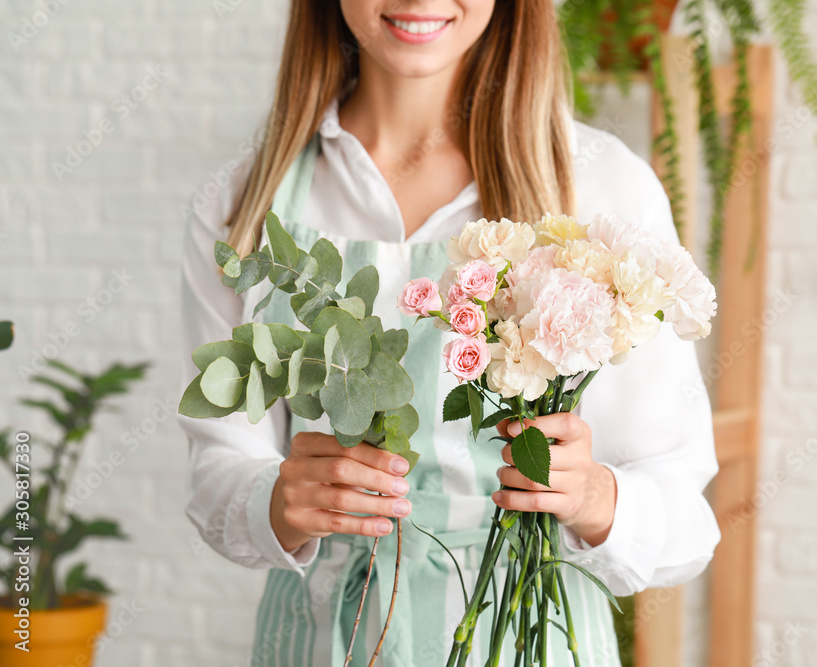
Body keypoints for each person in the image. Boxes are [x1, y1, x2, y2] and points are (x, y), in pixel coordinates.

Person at [178, 2, 721, 665]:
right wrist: (277, 498)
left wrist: (594, 497)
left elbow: (684, 517)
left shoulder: (603, 187)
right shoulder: (240, 204)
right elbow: (215, 472)